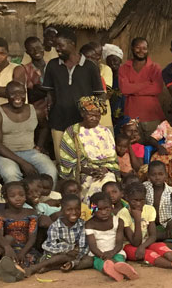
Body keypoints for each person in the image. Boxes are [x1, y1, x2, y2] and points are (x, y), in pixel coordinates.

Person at [42, 28, 105, 158]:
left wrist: (93, 115)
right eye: (56, 46)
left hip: (83, 123)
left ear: (72, 44)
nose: (57, 49)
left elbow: (100, 94)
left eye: (60, 45)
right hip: (58, 121)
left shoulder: (90, 67)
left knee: (84, 158)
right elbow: (49, 93)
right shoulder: (52, 65)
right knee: (62, 160)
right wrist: (49, 109)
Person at [0, 81, 57, 183]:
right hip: (6, 154)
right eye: (13, 93)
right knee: (11, 174)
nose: (18, 96)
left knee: (51, 171)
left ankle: (46, 199)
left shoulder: (36, 111)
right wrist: (23, 163)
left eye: (21, 93)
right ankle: (18, 199)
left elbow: (44, 127)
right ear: (6, 95)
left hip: (30, 151)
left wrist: (40, 145)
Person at [120, 181, 172, 272]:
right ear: (127, 198)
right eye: (135, 200)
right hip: (130, 246)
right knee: (149, 253)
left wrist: (143, 246)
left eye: (142, 200)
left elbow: (153, 235)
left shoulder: (149, 209)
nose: (139, 204)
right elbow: (135, 243)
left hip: (147, 242)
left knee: (160, 246)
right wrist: (137, 219)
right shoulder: (123, 214)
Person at [58, 96, 120, 199]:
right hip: (83, 172)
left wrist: (105, 169)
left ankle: (106, 210)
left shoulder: (105, 132)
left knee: (109, 186)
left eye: (97, 115)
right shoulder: (72, 132)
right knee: (93, 189)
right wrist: (86, 170)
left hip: (104, 172)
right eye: (90, 115)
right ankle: (92, 211)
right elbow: (67, 160)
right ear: (82, 114)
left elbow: (112, 159)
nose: (94, 118)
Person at [26, 193, 94, 276]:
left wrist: (75, 256)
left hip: (76, 257)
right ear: (62, 210)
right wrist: (68, 250)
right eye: (69, 209)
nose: (74, 212)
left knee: (89, 261)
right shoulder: (55, 226)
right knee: (63, 257)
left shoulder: (83, 225)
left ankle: (52, 267)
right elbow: (50, 246)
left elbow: (84, 247)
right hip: (54, 255)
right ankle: (35, 268)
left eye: (77, 209)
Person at [84, 190, 138, 281]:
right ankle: (114, 272)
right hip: (98, 255)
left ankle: (122, 269)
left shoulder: (118, 221)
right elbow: (93, 246)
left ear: (112, 207)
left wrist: (112, 253)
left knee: (119, 260)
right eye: (99, 209)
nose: (104, 212)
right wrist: (103, 256)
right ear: (92, 209)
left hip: (115, 252)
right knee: (103, 264)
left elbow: (119, 243)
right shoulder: (89, 224)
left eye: (107, 208)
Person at [118, 37, 165, 137]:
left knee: (153, 147)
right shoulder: (124, 68)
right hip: (131, 116)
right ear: (132, 48)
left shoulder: (155, 67)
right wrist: (147, 84)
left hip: (152, 116)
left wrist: (132, 88)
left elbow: (157, 88)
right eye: (138, 47)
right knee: (134, 147)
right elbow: (124, 89)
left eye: (144, 48)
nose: (141, 51)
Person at [0, 181, 38, 280]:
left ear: (26, 196)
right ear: (6, 199)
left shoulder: (32, 213)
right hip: (7, 247)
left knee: (24, 261)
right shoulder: (1, 214)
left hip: (25, 249)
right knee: (7, 239)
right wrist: (7, 247)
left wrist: (23, 253)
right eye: (13, 196)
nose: (18, 198)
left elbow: (32, 238)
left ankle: (10, 272)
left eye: (21, 195)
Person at [15, 35, 50, 127]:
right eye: (32, 49)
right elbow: (28, 95)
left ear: (43, 46)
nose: (36, 51)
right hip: (37, 114)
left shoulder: (52, 66)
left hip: (55, 113)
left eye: (38, 47)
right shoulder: (25, 69)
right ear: (27, 52)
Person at [143, 160, 172, 240]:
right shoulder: (144, 187)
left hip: (168, 223)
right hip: (151, 223)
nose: (157, 177)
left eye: (160, 174)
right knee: (149, 231)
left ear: (165, 175)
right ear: (148, 175)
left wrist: (171, 223)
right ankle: (162, 236)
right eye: (153, 175)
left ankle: (162, 236)